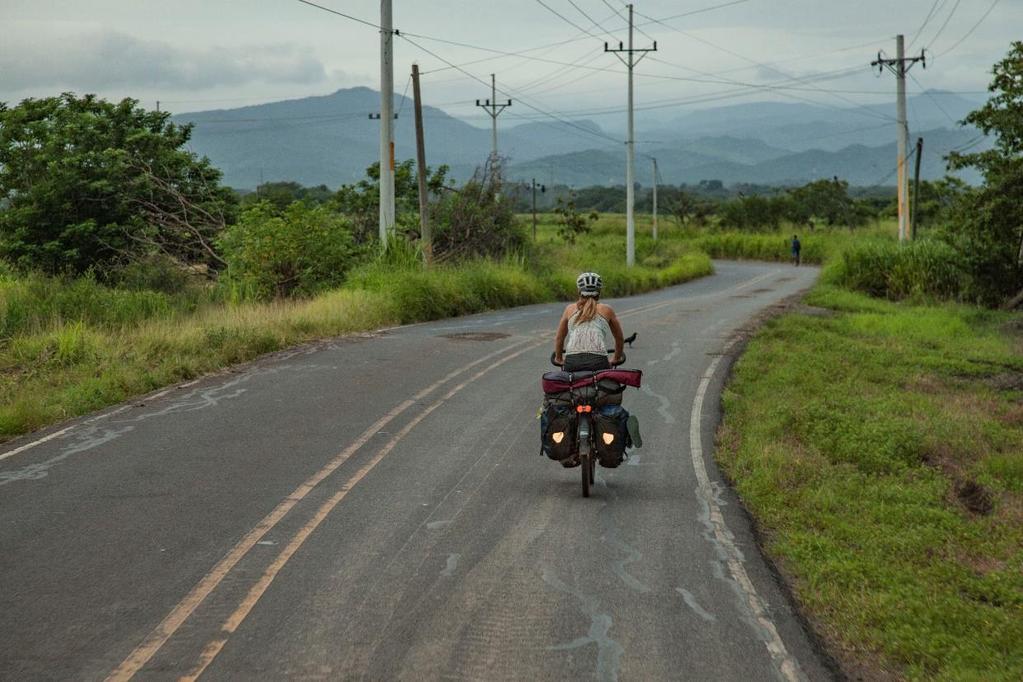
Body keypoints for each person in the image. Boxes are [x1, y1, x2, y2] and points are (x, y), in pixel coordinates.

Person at [554, 272, 624, 372]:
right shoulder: (607, 310)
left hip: (572, 361)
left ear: (579, 291)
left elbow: (559, 338)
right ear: (599, 292)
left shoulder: (569, 309)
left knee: (569, 384)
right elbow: (619, 338)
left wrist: (559, 358)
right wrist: (616, 358)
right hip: (599, 361)